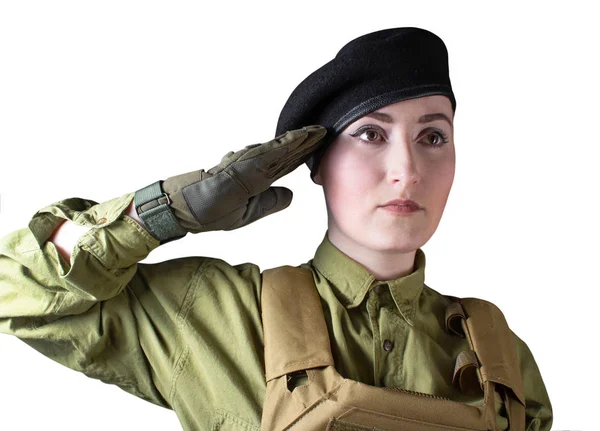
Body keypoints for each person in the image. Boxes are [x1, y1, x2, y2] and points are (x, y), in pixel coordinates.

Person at [0, 27, 552, 430]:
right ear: (317, 161)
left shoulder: (500, 356)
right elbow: (14, 292)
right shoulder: (213, 315)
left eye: (433, 137)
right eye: (370, 134)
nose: (406, 171)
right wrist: (162, 214)